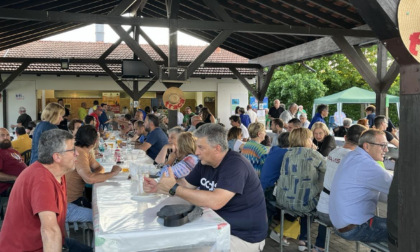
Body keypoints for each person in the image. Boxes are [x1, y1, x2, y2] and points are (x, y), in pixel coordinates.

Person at [144, 124, 267, 251]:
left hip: (242, 236)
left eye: (201, 147)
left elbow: (216, 201)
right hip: (215, 226)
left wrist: (174, 188)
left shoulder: (235, 165)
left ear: (217, 148)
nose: (196, 152)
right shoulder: (205, 162)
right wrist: (159, 187)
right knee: (169, 243)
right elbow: (186, 185)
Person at [0, 129, 91, 251]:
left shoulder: (57, 172)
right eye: (72, 150)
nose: (77, 153)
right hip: (28, 248)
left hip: (45, 243)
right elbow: (50, 231)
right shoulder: (41, 179)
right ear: (57, 156)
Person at [329, 129, 393, 243]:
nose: (386, 150)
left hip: (342, 223)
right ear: (367, 146)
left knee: (394, 230)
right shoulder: (366, 164)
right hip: (355, 227)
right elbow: (399, 188)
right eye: (382, 145)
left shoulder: (352, 155)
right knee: (407, 230)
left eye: (387, 145)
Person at [275, 128, 326, 252]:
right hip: (303, 203)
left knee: (303, 196)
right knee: (325, 208)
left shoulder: (287, 153)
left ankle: (304, 240)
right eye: (310, 138)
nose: (312, 139)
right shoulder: (314, 154)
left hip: (283, 200)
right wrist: (314, 150)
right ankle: (320, 245)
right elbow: (327, 172)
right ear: (305, 139)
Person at [66, 125, 121, 222]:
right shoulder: (80, 153)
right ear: (94, 143)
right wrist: (112, 173)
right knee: (105, 216)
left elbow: (99, 168)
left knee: (103, 205)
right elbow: (90, 179)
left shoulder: (82, 150)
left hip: (74, 199)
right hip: (69, 204)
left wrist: (97, 175)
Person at [316, 125, 366, 228]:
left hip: (321, 209)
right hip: (338, 216)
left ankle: (320, 243)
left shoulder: (333, 152)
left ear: (345, 137)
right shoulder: (356, 158)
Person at [0, 128, 27, 195]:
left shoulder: (13, 151)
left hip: (24, 180)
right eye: (2, 135)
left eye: (7, 135)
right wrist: (15, 178)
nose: (6, 137)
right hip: (10, 186)